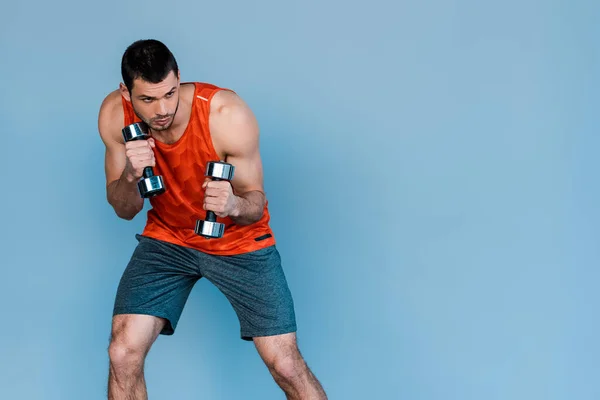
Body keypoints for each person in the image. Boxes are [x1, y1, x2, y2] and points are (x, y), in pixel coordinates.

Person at [97, 39, 328, 400]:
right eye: (147, 99)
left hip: (237, 241)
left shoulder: (225, 115)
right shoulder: (114, 114)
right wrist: (131, 174)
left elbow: (256, 201)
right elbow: (124, 209)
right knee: (122, 351)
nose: (162, 109)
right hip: (169, 238)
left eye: (170, 94)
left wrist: (233, 204)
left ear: (179, 79)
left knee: (284, 363)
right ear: (126, 94)